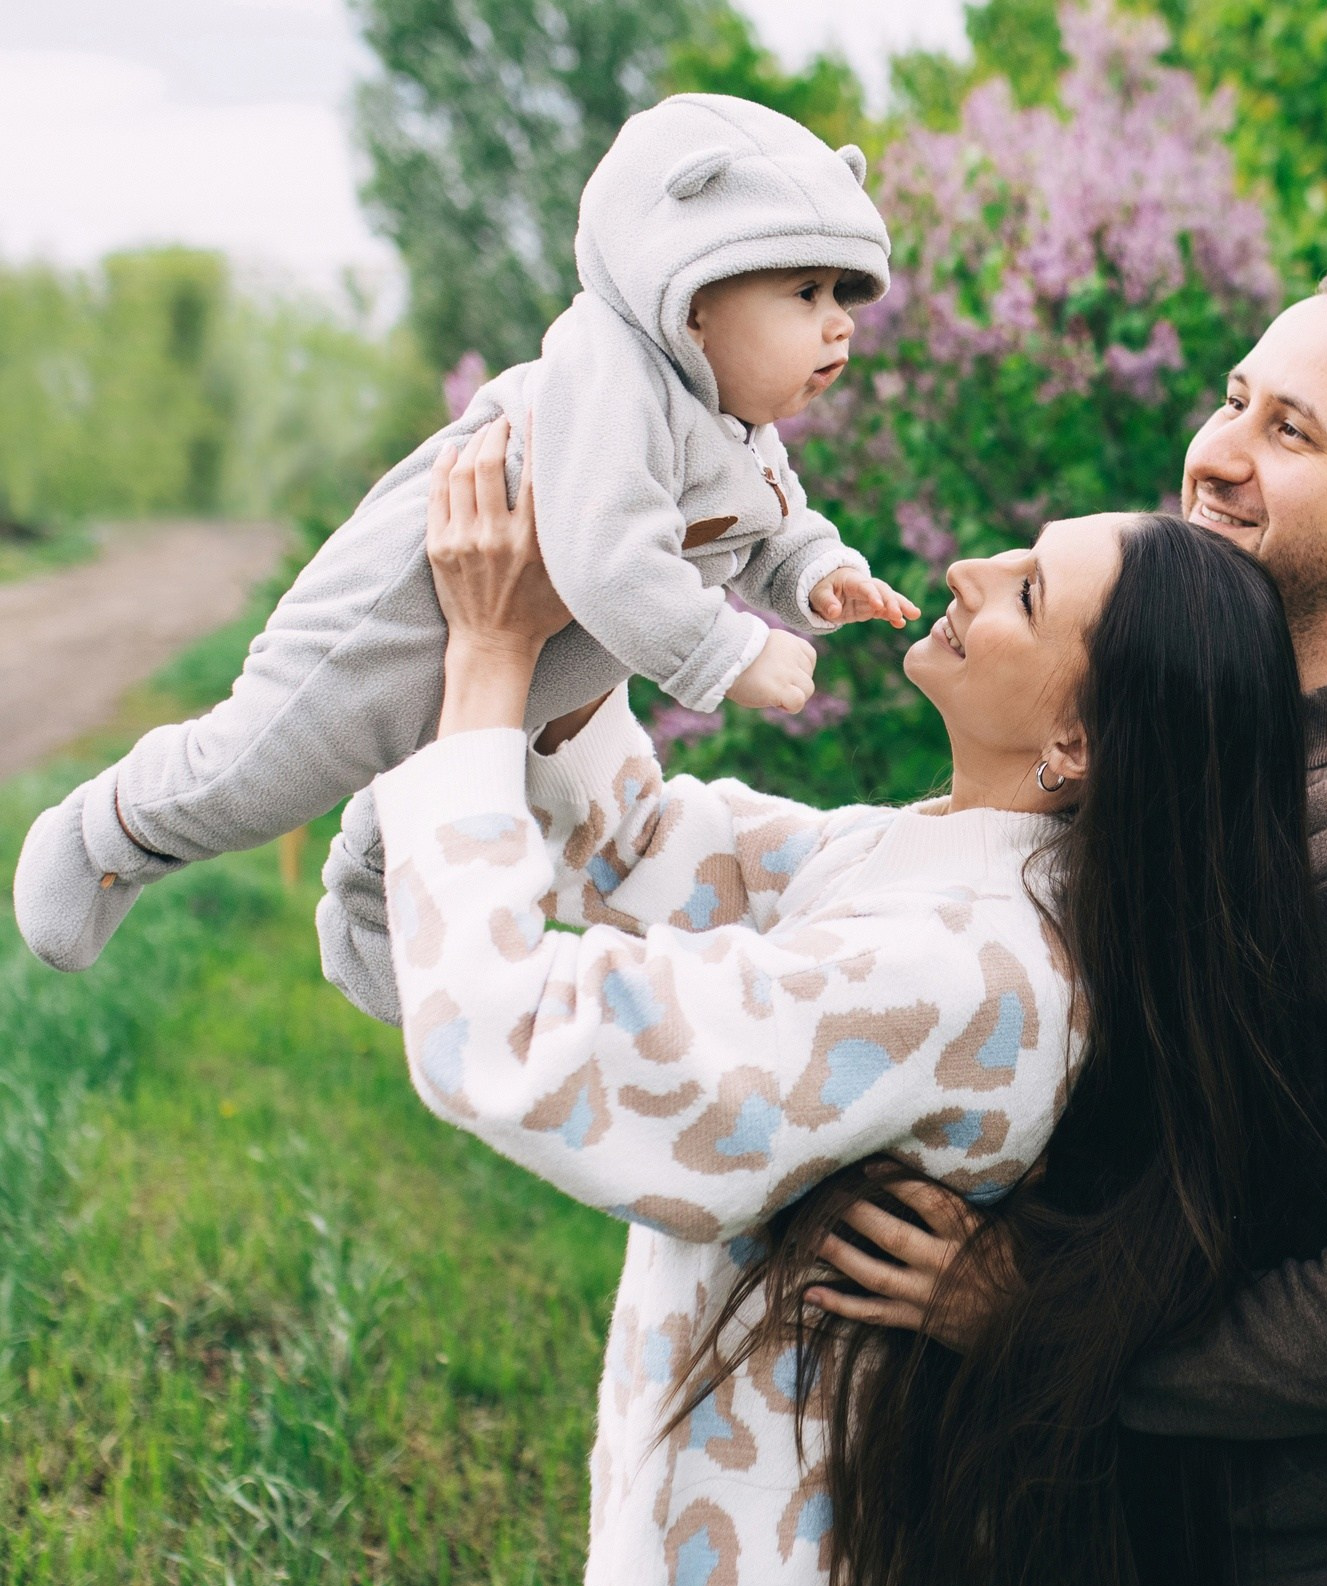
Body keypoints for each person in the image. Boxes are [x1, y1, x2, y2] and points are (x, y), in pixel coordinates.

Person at [386, 418, 1327, 1586]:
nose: (969, 570)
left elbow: (512, 1039)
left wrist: (493, 656)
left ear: (1079, 746)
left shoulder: (974, 971)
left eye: (1028, 591)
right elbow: (652, 845)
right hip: (761, 1582)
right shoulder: (949, 863)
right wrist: (596, 595)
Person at [819, 261, 1327, 1586]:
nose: (1216, 450)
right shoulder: (1137, 724)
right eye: (1236, 396)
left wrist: (1038, 1318)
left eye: (1291, 431)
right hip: (1033, 1544)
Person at [12, 92, 916, 1004]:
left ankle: (372, 918)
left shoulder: (733, 422)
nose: (839, 322)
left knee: (457, 773)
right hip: (394, 619)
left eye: (844, 294)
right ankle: (108, 830)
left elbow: (772, 517)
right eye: (804, 293)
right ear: (686, 300)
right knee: (263, 772)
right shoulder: (608, 374)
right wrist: (730, 652)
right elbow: (608, 555)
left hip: (525, 654)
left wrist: (817, 573)